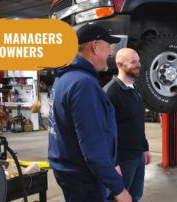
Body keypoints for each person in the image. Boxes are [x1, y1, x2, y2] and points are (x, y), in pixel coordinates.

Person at [48, 24, 132, 202]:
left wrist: (111, 164)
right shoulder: (83, 84)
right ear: (95, 46)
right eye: (108, 46)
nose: (110, 52)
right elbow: (93, 146)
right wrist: (118, 188)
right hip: (84, 178)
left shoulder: (63, 78)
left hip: (69, 172)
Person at [104, 48, 151, 202]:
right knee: (116, 199)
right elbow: (104, 133)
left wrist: (145, 148)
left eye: (138, 61)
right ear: (119, 64)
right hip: (122, 160)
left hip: (137, 157)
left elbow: (138, 122)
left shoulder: (136, 89)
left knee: (135, 197)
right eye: (133, 62)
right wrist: (113, 163)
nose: (138, 65)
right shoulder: (110, 93)